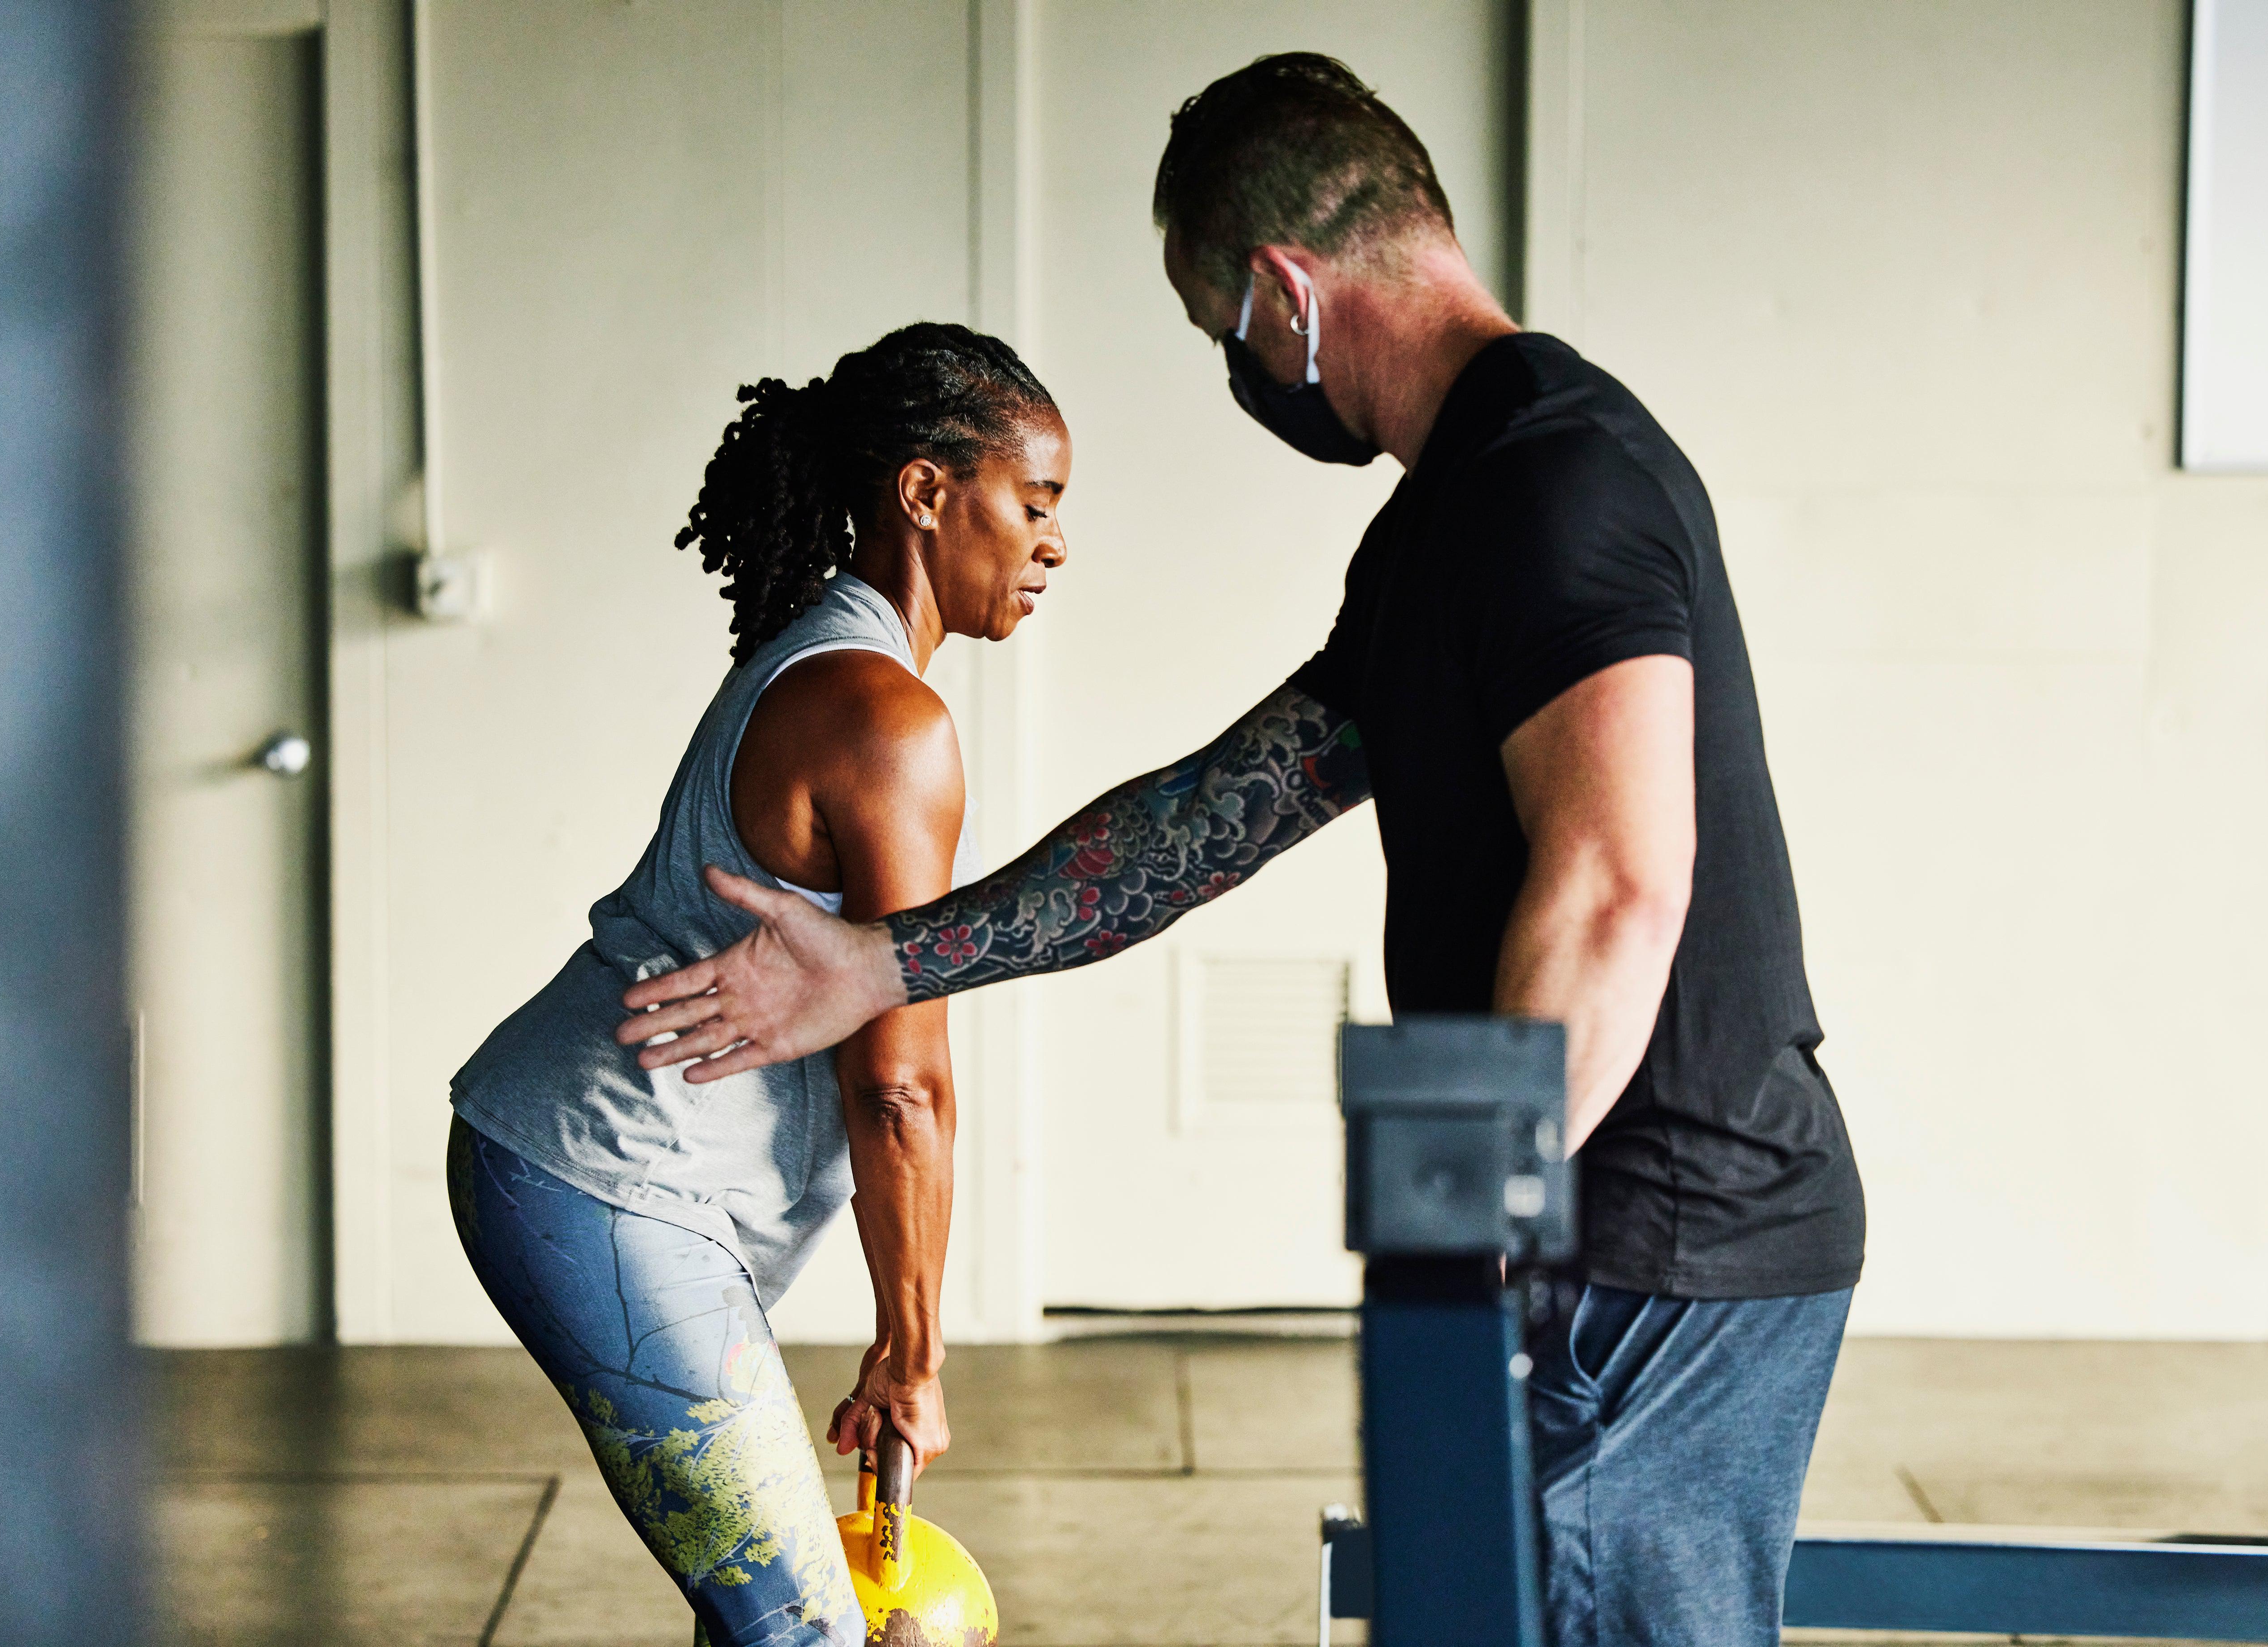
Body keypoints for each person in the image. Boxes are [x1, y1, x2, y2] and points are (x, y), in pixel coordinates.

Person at [614, 55, 1866, 1647]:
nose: (1237, 371)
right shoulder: (1444, 527)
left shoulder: (1562, 484)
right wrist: (882, 958)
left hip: (1667, 1237)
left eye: (1224, 335)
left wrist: (1473, 1228)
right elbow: (1223, 811)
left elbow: (1619, 881)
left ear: (1287, 294)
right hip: (1582, 1232)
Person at [447, 321, 1069, 1647]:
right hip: (608, 1178)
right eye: (1034, 503)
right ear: (924, 492)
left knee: (765, 1608)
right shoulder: (885, 720)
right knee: (805, 1631)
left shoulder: (828, 662)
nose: (1055, 545)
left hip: (605, 1169)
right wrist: (914, 1353)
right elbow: (897, 1082)